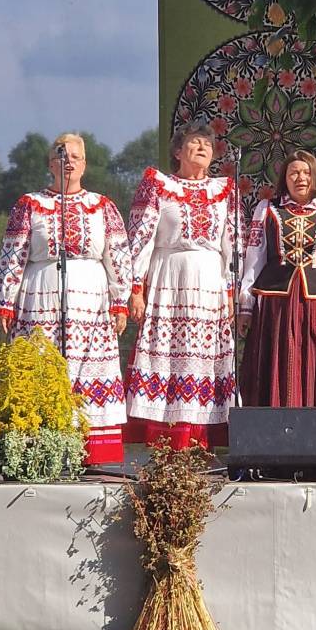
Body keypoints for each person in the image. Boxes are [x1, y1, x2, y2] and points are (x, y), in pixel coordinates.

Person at [0, 133, 130, 464]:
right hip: (41, 296)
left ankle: (90, 453)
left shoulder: (102, 206)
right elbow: (13, 253)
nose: (67, 161)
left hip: (91, 301)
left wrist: (120, 299)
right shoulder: (30, 204)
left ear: (84, 164)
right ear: (49, 164)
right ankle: (41, 451)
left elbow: (118, 254)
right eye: (60, 155)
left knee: (88, 371)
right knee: (43, 365)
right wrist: (6, 298)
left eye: (75, 156)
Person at [125, 122, 240, 450]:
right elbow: (141, 237)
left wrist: (230, 290)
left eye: (207, 143)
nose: (203, 147)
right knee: (171, 357)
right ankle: (168, 440)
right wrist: (136, 287)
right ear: (178, 151)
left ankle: (201, 439)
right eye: (194, 142)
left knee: (204, 358)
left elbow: (233, 243)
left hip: (209, 281)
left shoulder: (223, 190)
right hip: (169, 278)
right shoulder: (159, 185)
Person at [238, 150, 316, 428]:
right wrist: (246, 305)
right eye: (293, 173)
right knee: (278, 365)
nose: (300, 178)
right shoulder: (268, 210)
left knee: (315, 366)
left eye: (306, 172)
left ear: (315, 176)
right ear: (285, 178)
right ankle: (271, 438)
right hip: (276, 305)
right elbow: (254, 257)